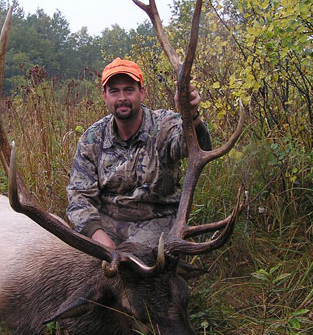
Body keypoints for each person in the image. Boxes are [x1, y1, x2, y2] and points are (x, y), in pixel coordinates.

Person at [66, 57, 212, 248]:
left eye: (129, 90)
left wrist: (190, 115)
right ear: (105, 96)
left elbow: (199, 147)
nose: (122, 98)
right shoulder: (92, 138)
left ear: (141, 93)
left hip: (157, 222)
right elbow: (79, 196)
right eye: (114, 91)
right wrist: (98, 236)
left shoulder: (164, 125)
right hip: (107, 225)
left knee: (135, 265)